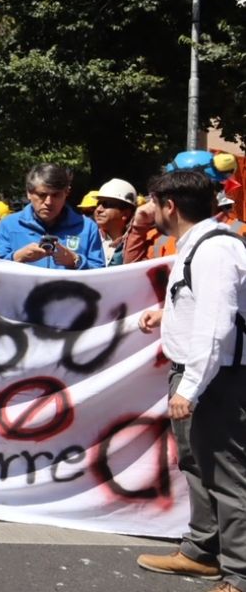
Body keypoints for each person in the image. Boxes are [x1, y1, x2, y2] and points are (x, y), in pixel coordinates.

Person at [134, 170, 246, 591]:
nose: (149, 210)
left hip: (218, 379)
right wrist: (170, 314)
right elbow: (215, 306)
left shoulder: (214, 250)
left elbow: (217, 327)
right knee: (198, 465)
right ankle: (203, 550)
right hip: (207, 374)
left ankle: (239, 574)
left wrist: (190, 387)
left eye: (152, 202)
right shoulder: (201, 246)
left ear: (170, 206)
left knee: (228, 475)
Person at [0, 163, 105, 269]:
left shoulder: (87, 228)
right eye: (42, 195)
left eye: (56, 195)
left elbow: (101, 274)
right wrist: (17, 257)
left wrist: (76, 261)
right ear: (29, 193)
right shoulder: (9, 225)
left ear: (67, 192)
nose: (49, 202)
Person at [92, 178, 137, 267]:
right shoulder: (90, 239)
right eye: (98, 203)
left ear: (125, 213)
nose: (98, 209)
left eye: (107, 204)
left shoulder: (135, 244)